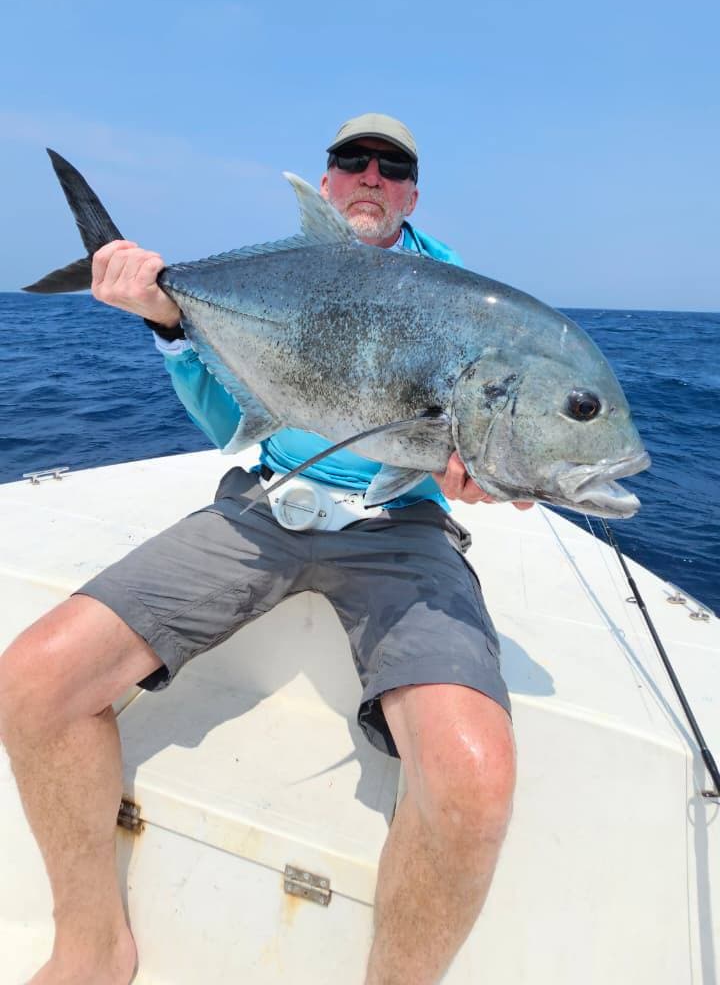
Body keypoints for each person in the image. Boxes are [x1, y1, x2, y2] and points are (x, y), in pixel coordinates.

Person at [0, 113, 532, 985]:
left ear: (412, 195)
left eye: (390, 167)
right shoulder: (283, 277)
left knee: (475, 782)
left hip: (401, 527)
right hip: (266, 501)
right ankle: (92, 948)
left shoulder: (457, 300)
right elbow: (226, 424)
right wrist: (169, 320)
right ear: (325, 186)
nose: (369, 175)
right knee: (33, 681)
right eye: (349, 161)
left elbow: (487, 420)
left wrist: (491, 472)